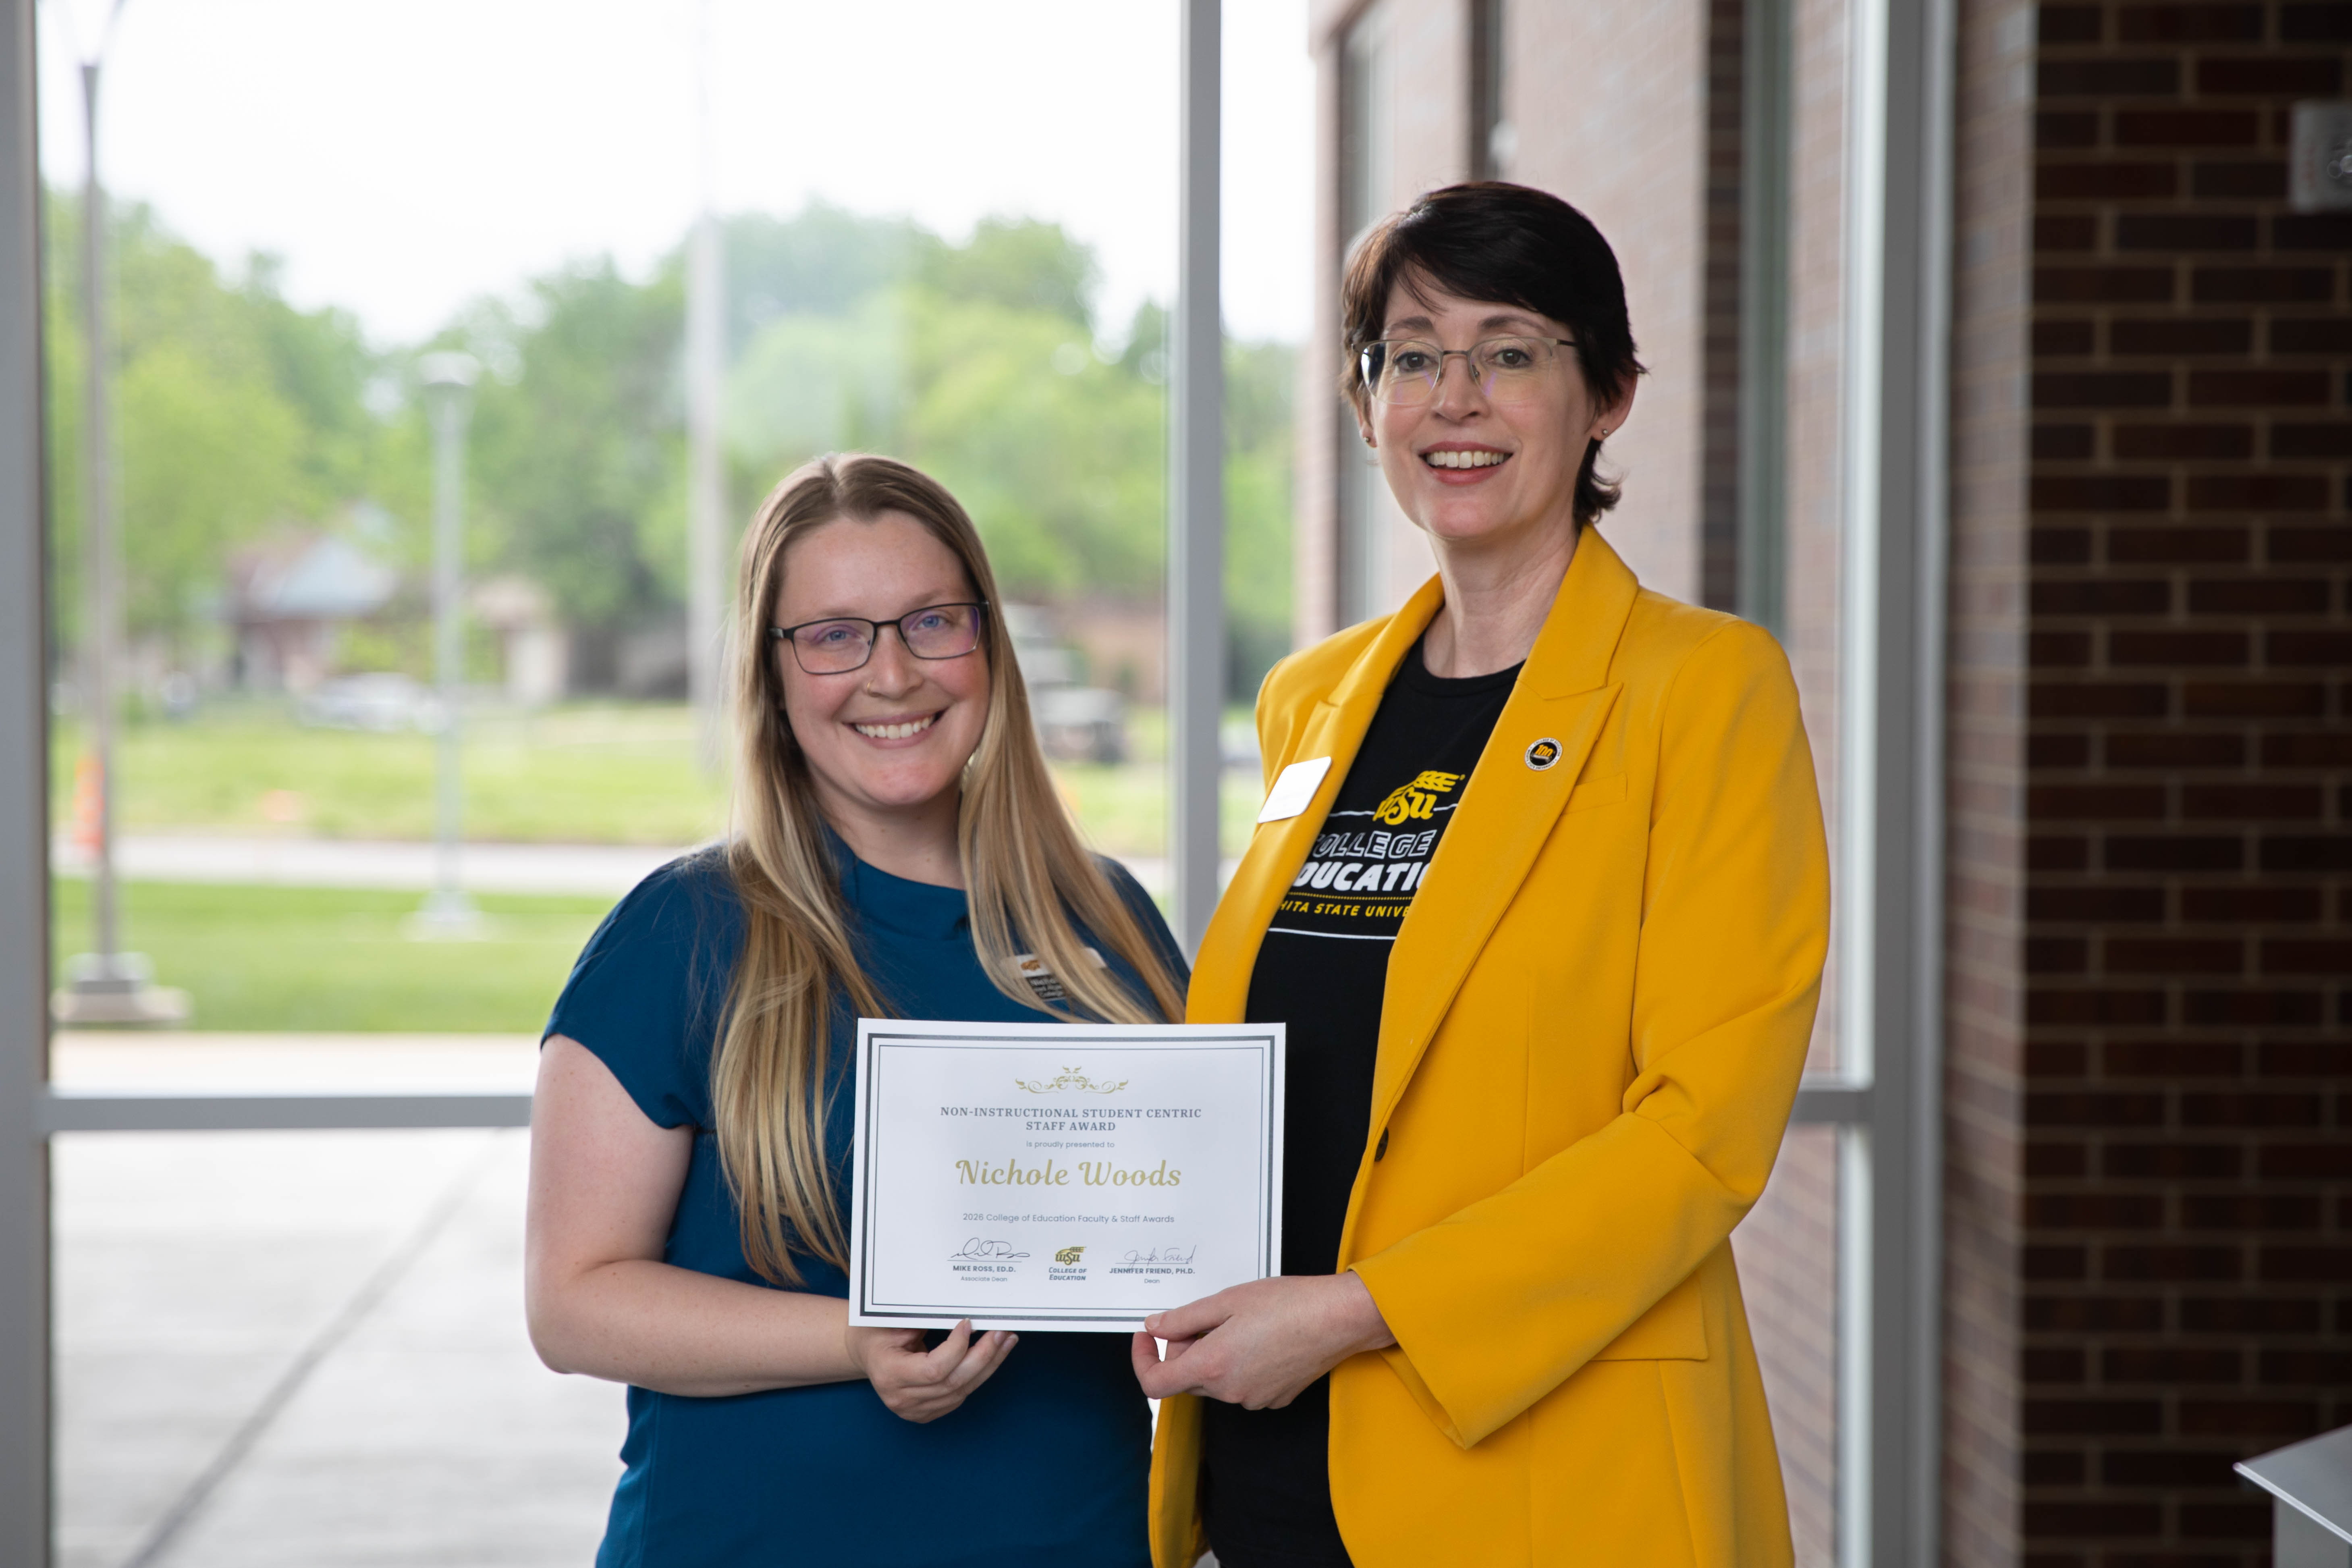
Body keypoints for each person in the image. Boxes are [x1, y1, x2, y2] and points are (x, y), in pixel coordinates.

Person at [1131, 183, 1831, 1568]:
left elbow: (1699, 1134)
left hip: (1549, 1474)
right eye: (1413, 355)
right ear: (1365, 402)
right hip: (1275, 1458)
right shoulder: (1310, 702)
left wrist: (1351, 1313)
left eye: (1510, 351)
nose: (1455, 398)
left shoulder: (1705, 691)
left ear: (1608, 395)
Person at [526, 453, 1188, 1568]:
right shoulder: (682, 935)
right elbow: (574, 1301)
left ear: (988, 643)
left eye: (932, 622)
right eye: (835, 635)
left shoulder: (1108, 922)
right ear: (772, 675)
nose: (893, 674)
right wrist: (857, 1337)